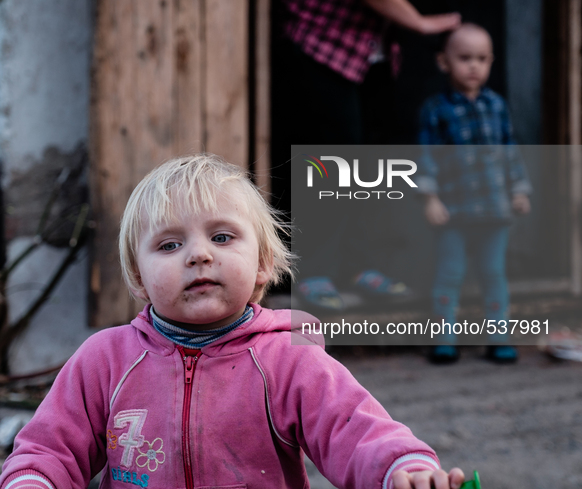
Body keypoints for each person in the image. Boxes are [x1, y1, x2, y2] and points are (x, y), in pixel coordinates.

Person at [0, 154, 465, 488]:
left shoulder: (289, 357)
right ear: (139, 277)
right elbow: (48, 449)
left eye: (222, 237)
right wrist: (32, 481)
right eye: (168, 245)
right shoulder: (105, 359)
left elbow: (355, 429)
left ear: (262, 264)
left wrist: (401, 468)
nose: (199, 254)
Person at [275, 0, 461, 310]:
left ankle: (356, 266)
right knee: (329, 163)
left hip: (371, 50)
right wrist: (419, 22)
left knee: (368, 164)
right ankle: (312, 271)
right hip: (324, 43)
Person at [416, 23, 532, 364]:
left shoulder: (496, 106)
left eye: (482, 59)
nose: (473, 66)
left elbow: (510, 150)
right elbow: (426, 157)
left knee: (494, 273)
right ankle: (443, 338)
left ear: (491, 62)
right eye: (464, 58)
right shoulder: (435, 108)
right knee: (450, 273)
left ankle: (498, 336)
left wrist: (519, 190)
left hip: (495, 211)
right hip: (453, 213)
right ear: (444, 62)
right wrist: (430, 197)